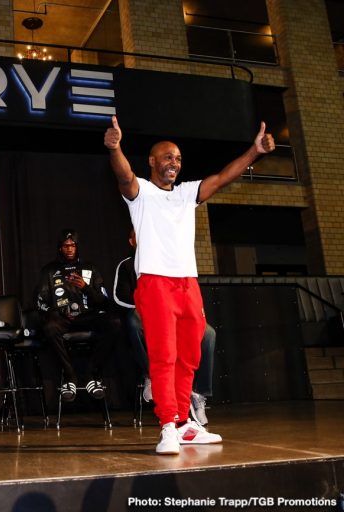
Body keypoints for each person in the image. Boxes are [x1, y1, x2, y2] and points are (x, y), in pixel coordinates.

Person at [104, 116, 274, 454]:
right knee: (164, 355)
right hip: (155, 283)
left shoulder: (186, 194)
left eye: (179, 158)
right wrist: (115, 148)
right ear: (152, 161)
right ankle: (167, 424)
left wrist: (254, 152)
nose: (174, 163)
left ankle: (184, 423)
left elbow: (223, 177)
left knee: (190, 355)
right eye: (168, 157)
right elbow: (123, 176)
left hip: (187, 283)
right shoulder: (142, 193)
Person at [113, 229, 216, 426]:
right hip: (145, 310)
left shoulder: (166, 258)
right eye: (138, 236)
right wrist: (150, 306)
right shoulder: (127, 265)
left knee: (208, 333)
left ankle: (199, 394)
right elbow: (119, 298)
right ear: (131, 241)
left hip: (172, 311)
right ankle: (151, 374)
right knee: (133, 321)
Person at [35, 229, 122, 402]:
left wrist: (85, 288)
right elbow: (39, 302)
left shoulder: (90, 268)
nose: (69, 249)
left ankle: (91, 374)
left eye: (72, 245)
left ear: (77, 247)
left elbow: (104, 301)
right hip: (63, 319)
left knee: (114, 323)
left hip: (88, 317)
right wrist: (56, 311)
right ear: (60, 248)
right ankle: (70, 376)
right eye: (65, 246)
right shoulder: (49, 271)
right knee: (50, 327)